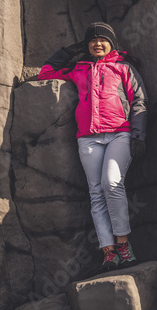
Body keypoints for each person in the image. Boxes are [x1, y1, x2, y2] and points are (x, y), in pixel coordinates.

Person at [39, 22, 147, 271]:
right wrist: (70, 50)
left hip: (120, 134)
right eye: (92, 40)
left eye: (103, 40)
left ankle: (123, 244)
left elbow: (140, 99)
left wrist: (138, 136)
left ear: (112, 43)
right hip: (87, 137)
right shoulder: (79, 68)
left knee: (111, 183)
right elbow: (45, 73)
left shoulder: (123, 67)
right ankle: (108, 251)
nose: (98, 44)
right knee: (96, 192)